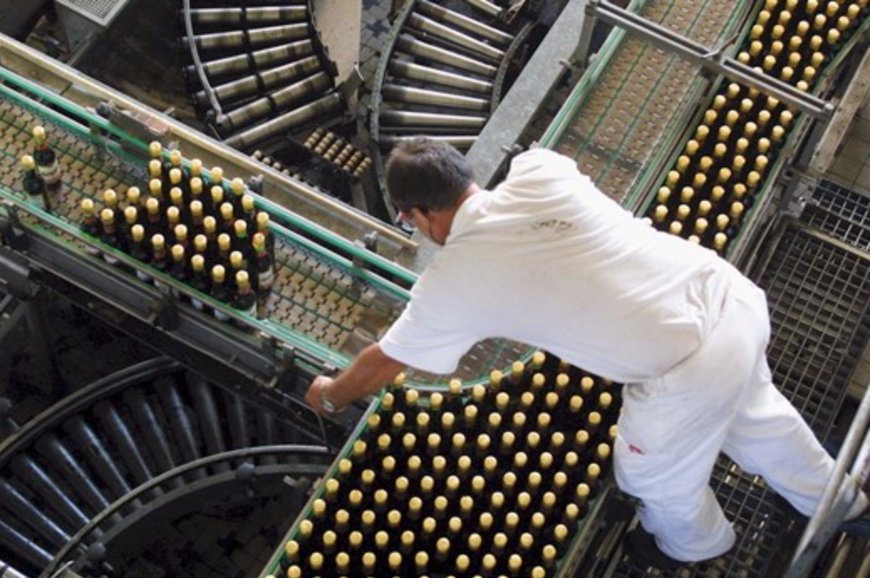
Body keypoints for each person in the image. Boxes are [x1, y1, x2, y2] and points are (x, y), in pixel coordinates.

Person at [306, 138, 867, 568]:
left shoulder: (453, 280)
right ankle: (841, 502)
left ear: (417, 215)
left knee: (647, 474)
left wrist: (331, 396)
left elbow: (386, 359)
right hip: (728, 297)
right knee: (757, 419)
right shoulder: (539, 168)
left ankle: (699, 545)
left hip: (687, 365)